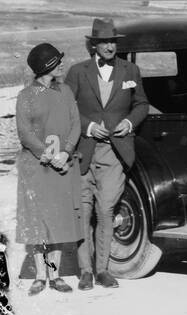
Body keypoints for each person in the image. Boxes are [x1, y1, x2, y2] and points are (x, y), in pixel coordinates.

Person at [64, 18, 151, 289]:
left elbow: (142, 104)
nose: (110, 46)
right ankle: (85, 271)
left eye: (113, 41)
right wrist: (88, 126)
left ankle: (103, 269)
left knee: (105, 209)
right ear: (94, 45)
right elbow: (66, 107)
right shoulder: (78, 72)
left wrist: (129, 122)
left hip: (115, 152)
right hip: (82, 152)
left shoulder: (130, 70)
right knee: (82, 210)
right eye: (104, 42)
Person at [15, 43, 84, 295]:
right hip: (36, 168)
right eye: (57, 62)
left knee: (58, 221)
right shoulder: (26, 96)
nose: (63, 65)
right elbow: (25, 133)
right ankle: (40, 277)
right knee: (38, 222)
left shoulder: (65, 91)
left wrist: (65, 151)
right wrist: (46, 154)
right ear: (47, 67)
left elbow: (76, 124)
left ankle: (55, 276)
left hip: (61, 165)